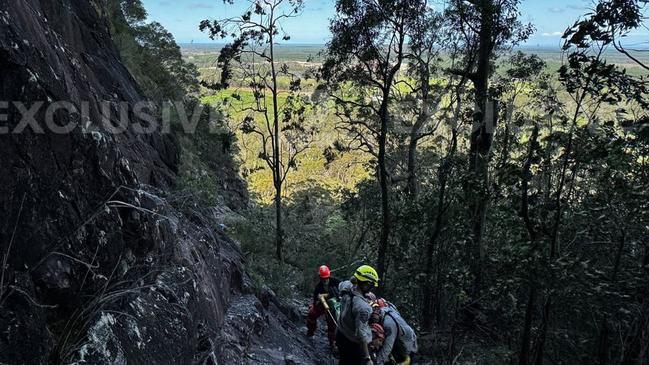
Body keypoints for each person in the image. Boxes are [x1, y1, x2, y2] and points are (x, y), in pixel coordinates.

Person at [336, 265, 380, 365]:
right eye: (371, 285)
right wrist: (367, 358)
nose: (372, 287)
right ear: (366, 284)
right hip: (354, 344)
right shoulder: (363, 307)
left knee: (344, 360)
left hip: (341, 333)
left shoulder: (346, 287)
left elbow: (345, 283)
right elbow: (361, 334)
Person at [369, 299, 418, 365]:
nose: (373, 318)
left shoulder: (389, 324)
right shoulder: (386, 311)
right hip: (399, 341)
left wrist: (377, 362)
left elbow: (387, 347)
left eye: (374, 314)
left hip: (406, 347)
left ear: (378, 310)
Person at [307, 265, 341, 350]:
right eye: (323, 278)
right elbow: (315, 301)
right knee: (312, 313)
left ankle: (332, 343)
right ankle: (310, 331)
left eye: (326, 278)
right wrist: (319, 303)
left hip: (334, 306)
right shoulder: (318, 287)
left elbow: (343, 292)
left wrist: (332, 295)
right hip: (322, 305)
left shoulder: (336, 282)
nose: (325, 280)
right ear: (320, 277)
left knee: (331, 323)